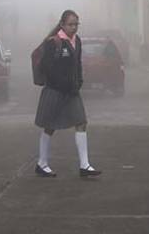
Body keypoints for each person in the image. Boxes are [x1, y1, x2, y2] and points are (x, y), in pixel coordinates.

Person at [34, 10, 102, 178]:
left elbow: (77, 63)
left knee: (81, 122)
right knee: (49, 126)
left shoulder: (77, 41)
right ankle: (42, 164)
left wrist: (79, 81)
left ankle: (84, 166)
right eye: (70, 24)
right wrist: (61, 83)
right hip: (54, 90)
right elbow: (46, 67)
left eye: (76, 24)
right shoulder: (53, 42)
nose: (74, 28)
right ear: (62, 24)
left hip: (72, 91)